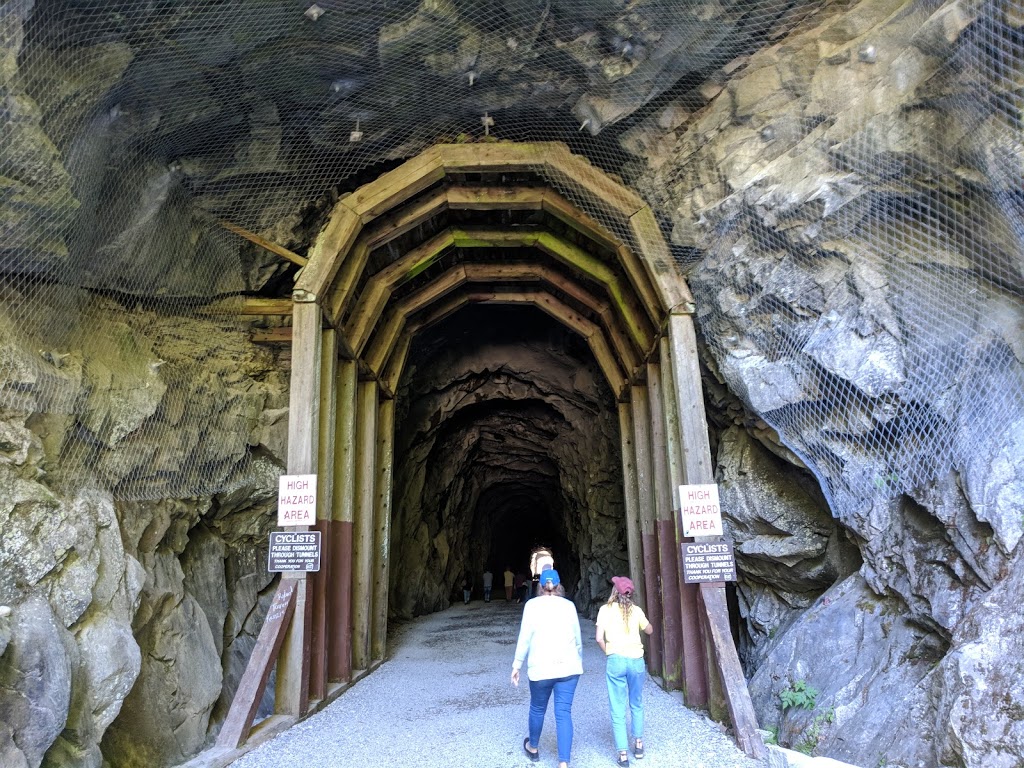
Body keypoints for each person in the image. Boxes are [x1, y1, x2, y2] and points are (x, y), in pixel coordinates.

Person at [511, 569, 582, 768]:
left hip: (540, 669)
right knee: (563, 713)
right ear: (559, 586)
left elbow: (524, 638)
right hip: (569, 668)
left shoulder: (531, 606)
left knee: (537, 708)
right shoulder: (569, 606)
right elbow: (577, 639)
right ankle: (564, 762)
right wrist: (578, 661)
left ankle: (533, 748)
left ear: (539, 586)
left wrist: (516, 665)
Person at [595, 576, 654, 766]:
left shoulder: (605, 610)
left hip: (616, 661)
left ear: (614, 592)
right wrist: (645, 624)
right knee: (636, 703)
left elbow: (598, 638)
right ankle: (638, 744)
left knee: (617, 707)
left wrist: (609, 653)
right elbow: (650, 630)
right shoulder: (636, 611)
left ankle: (622, 754)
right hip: (636, 661)